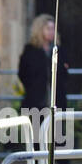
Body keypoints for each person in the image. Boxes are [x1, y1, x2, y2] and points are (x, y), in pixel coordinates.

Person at [17, 12, 69, 146]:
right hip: (37, 99)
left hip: (56, 99)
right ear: (40, 30)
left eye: (53, 29)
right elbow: (23, 73)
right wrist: (34, 88)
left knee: (58, 137)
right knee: (36, 137)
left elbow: (64, 72)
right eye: (48, 28)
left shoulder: (58, 49)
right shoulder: (30, 50)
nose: (51, 32)